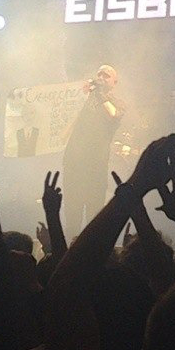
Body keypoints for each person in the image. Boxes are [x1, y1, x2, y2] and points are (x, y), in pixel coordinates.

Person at [63, 65, 125, 236]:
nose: (101, 78)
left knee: (94, 215)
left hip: (96, 166)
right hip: (74, 163)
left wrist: (98, 93)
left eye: (107, 75)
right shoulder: (85, 98)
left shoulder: (117, 103)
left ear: (114, 82)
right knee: (72, 215)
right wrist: (81, 93)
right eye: (99, 74)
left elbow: (113, 114)